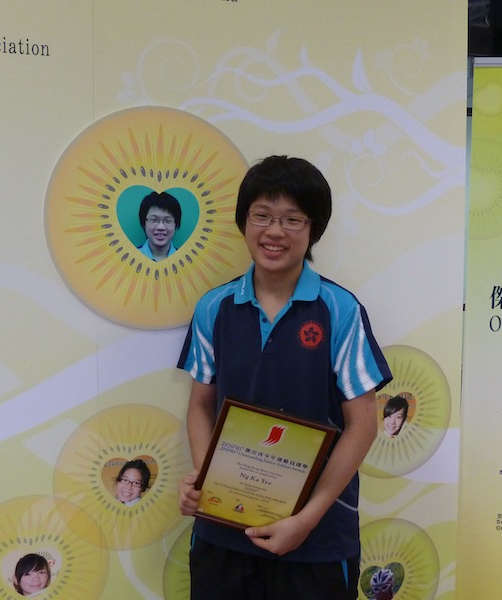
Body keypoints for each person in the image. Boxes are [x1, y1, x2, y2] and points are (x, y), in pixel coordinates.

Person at [177, 155, 392, 599]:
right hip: (224, 535)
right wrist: (206, 481)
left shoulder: (340, 310)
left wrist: (307, 519)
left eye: (292, 219)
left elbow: (363, 424)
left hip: (317, 540)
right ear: (244, 221)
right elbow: (200, 405)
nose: (274, 231)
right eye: (262, 216)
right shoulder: (213, 308)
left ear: (313, 230)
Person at [137, 191, 181, 261]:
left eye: (168, 221)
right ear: (144, 223)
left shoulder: (185, 261)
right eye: (154, 220)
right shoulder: (130, 259)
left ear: (175, 225)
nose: (161, 227)